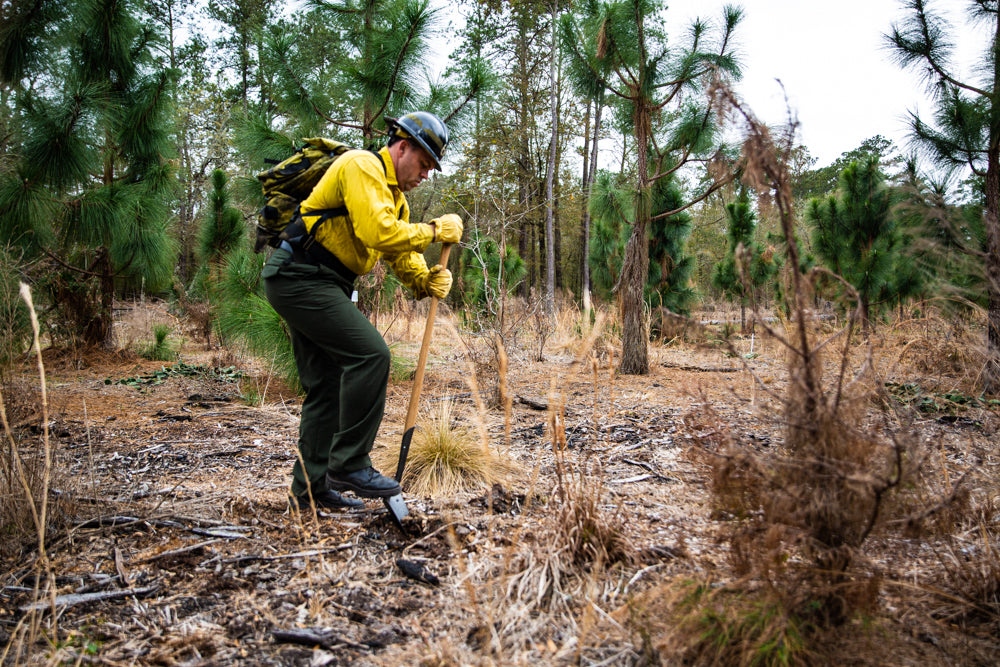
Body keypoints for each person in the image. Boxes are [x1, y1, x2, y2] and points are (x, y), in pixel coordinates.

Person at [262, 111, 463, 510]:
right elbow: (377, 232)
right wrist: (435, 231)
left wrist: (424, 281)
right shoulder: (362, 165)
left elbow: (398, 254)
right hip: (299, 275)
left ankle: (309, 492)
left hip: (324, 281)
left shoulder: (396, 200)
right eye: (423, 164)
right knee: (371, 355)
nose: (425, 174)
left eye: (430, 169)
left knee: (325, 386)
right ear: (402, 146)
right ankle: (349, 462)